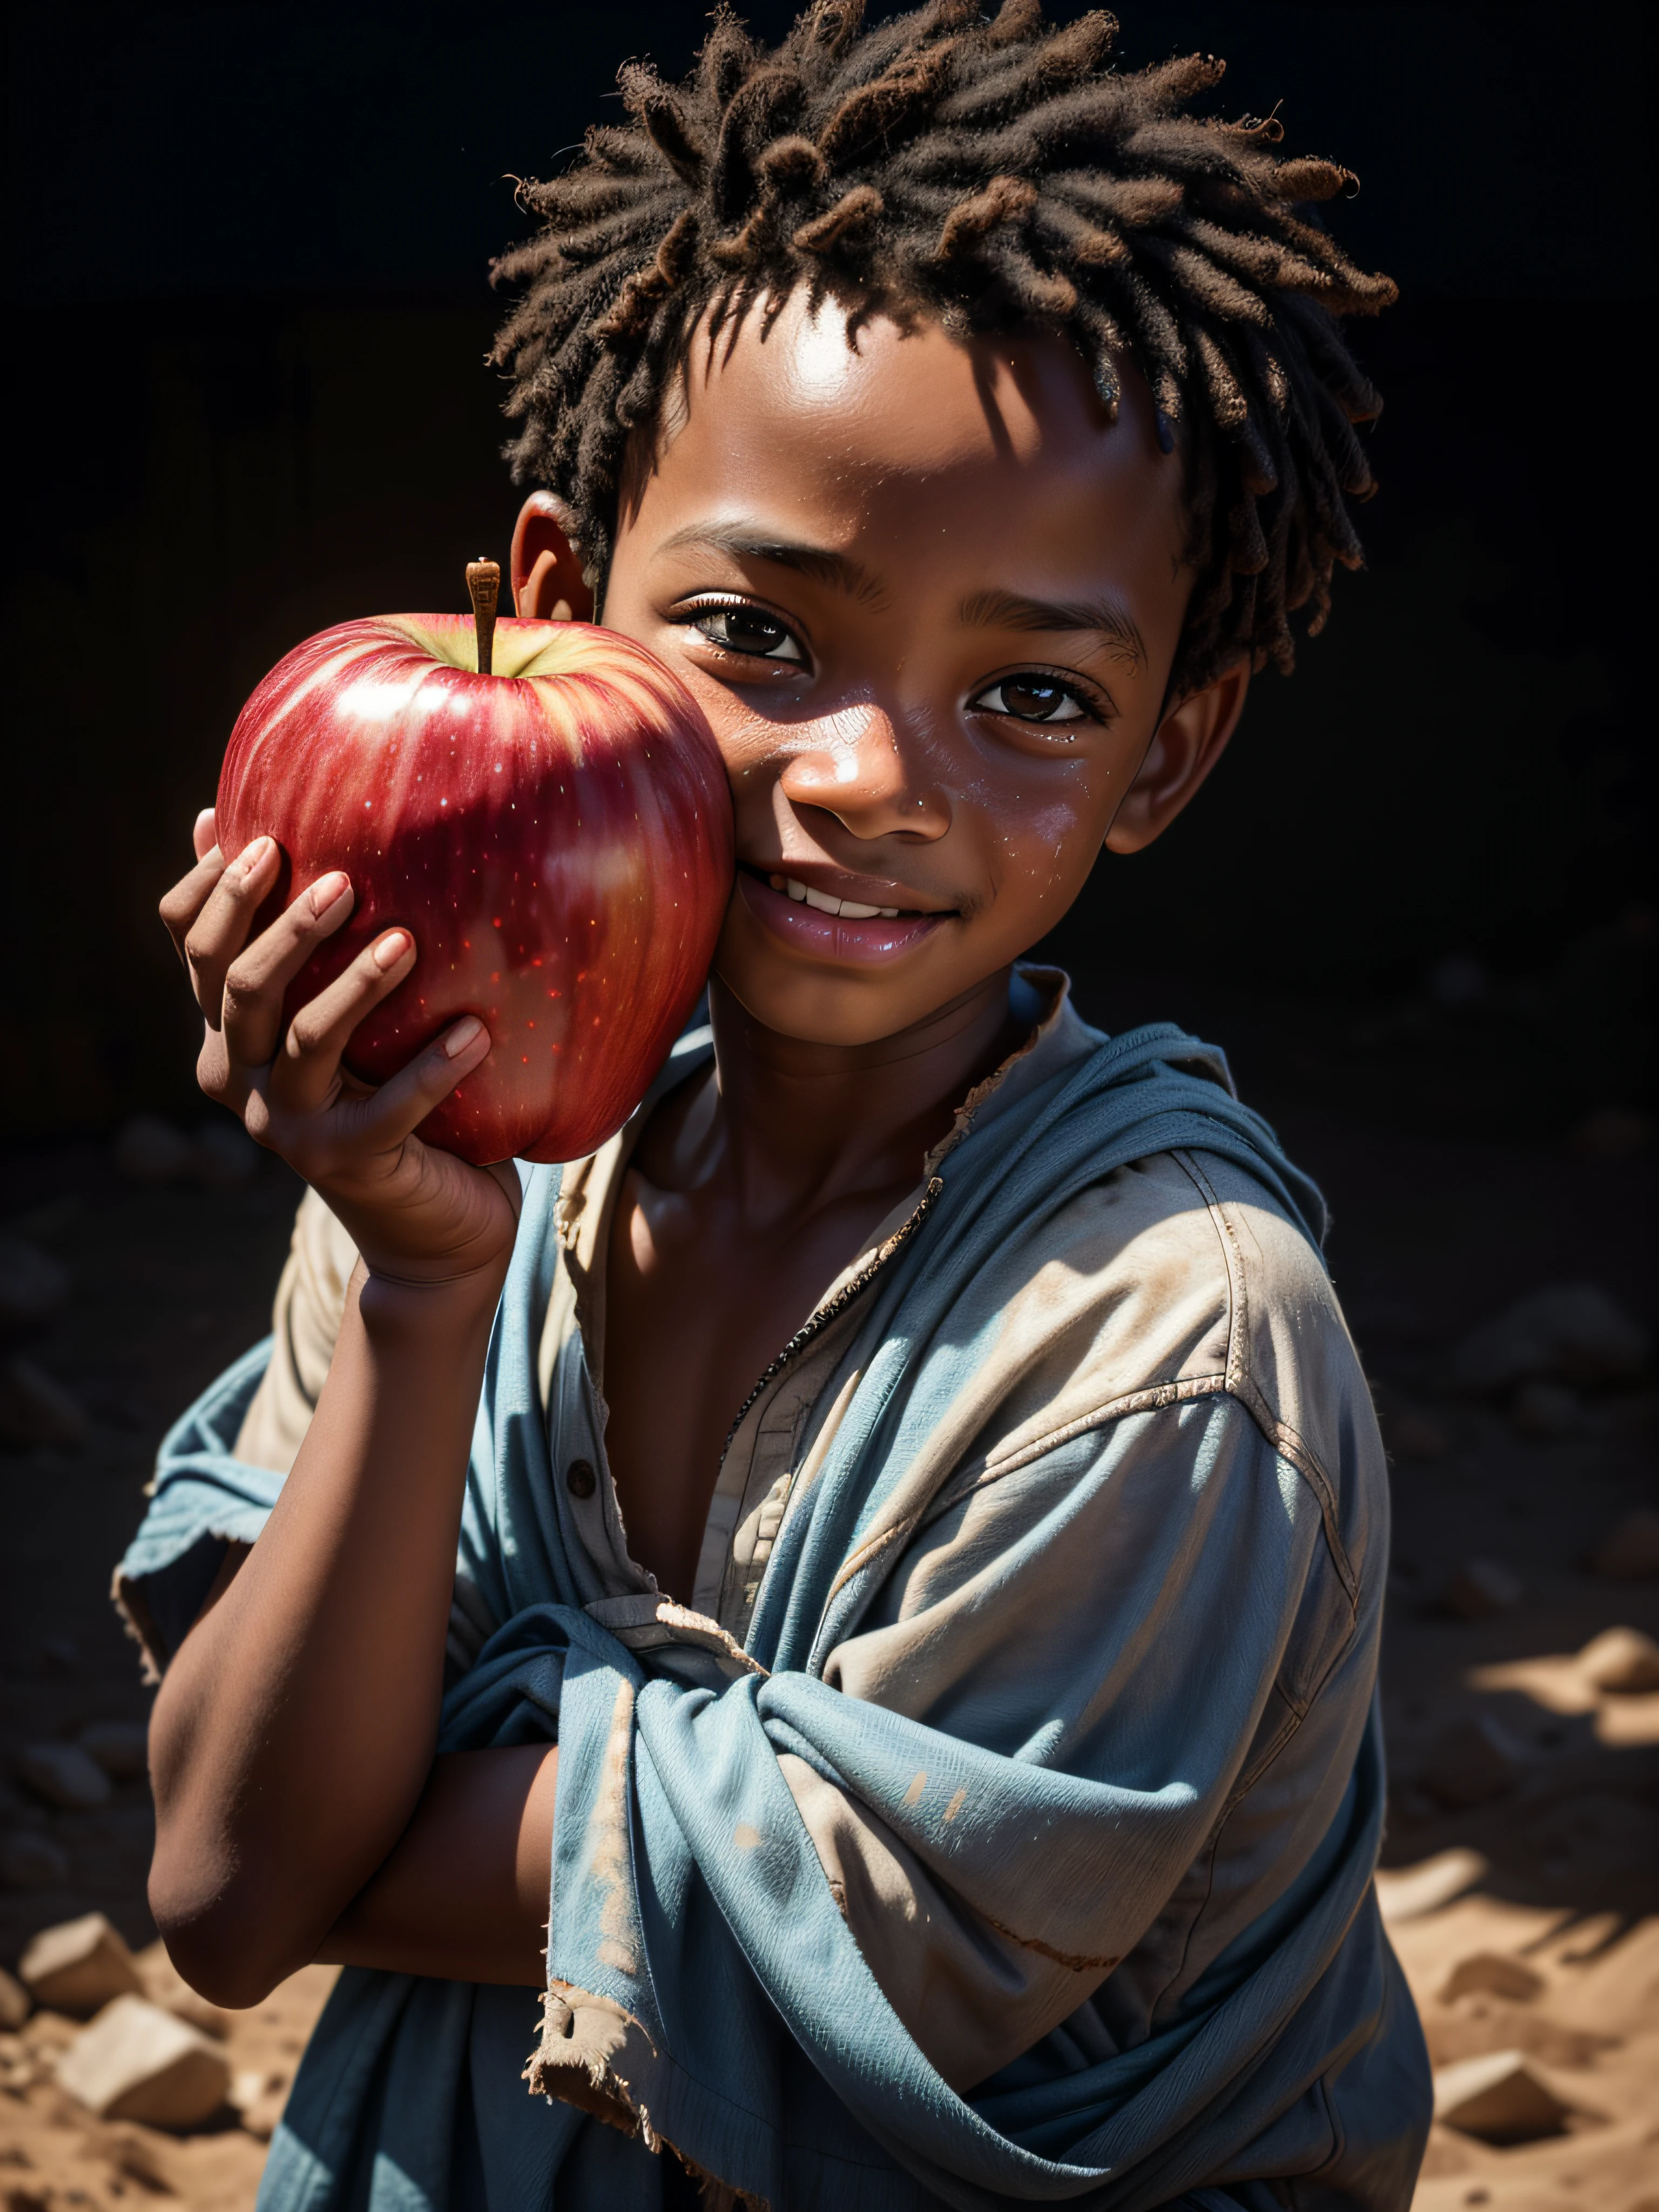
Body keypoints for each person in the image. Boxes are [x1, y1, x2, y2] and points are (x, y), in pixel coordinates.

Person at [117, 4, 1431, 2206]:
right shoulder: (453, 1164)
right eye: (759, 630)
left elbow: (875, 1967)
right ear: (559, 603)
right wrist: (430, 1294)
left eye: (1032, 694)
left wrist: (370, 1795)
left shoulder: (1167, 1343)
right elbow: (226, 1891)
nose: (868, 780)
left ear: (1166, 757)